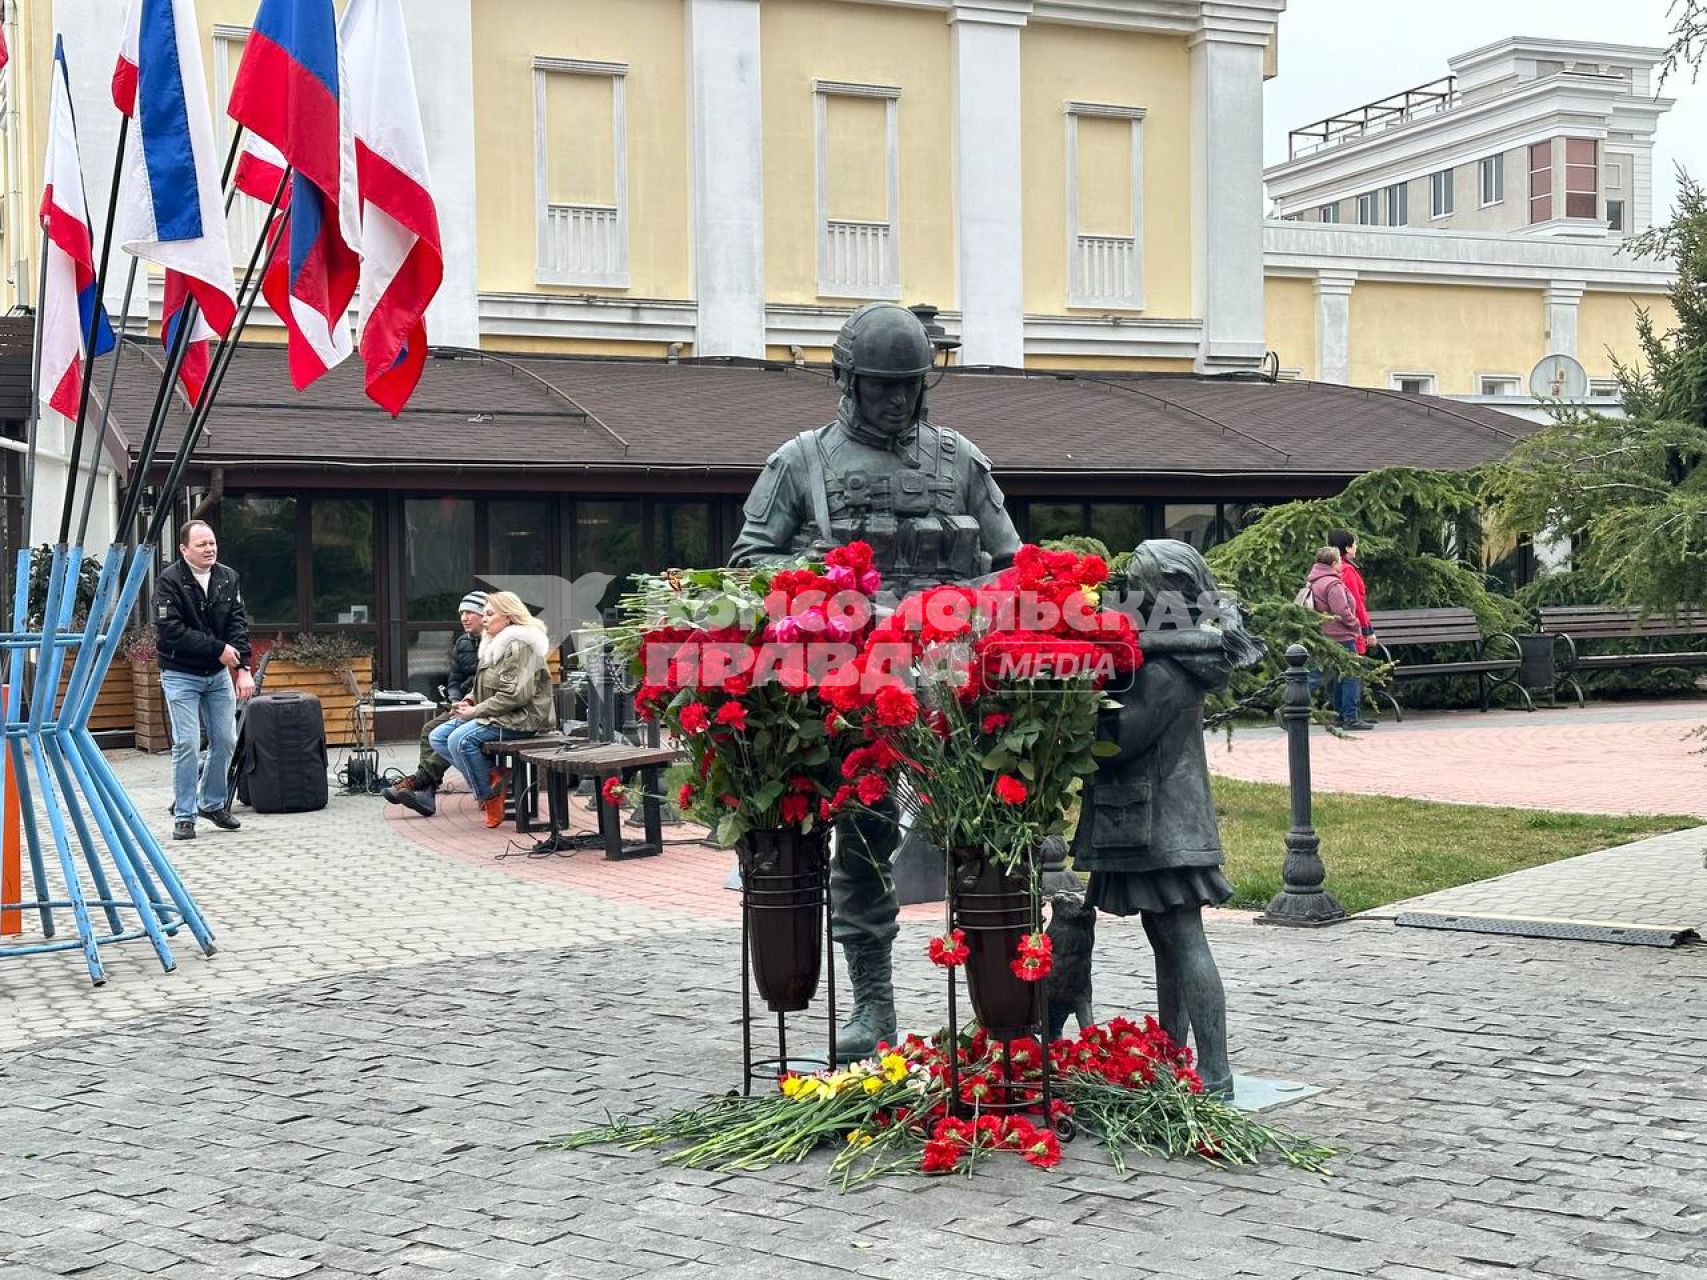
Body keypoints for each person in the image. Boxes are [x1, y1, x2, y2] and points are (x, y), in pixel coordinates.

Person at [730, 302, 1022, 1058]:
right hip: (850, 693)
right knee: (860, 848)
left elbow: (1014, 563)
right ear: (845, 382)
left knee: (994, 843)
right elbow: (749, 560)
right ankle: (872, 1005)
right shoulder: (801, 462)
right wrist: (837, 590)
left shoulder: (960, 459)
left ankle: (1004, 998)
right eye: (880, 387)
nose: (897, 400)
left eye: (909, 386)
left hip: (955, 692)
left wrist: (957, 610)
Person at [1073, 539, 1265, 1098]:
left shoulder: (1165, 670)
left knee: (1183, 938)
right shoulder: (1178, 654)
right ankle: (1174, 1053)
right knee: (1168, 937)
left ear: (1163, 592)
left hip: (1161, 820)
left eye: (1137, 582)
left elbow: (1122, 740)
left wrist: (1076, 716)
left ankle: (1214, 1070)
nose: (1127, 591)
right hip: (1158, 817)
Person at [153, 519, 255, 840]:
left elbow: (237, 624)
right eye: (201, 544)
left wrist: (244, 669)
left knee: (225, 740)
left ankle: (212, 803)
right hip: (180, 673)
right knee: (186, 744)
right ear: (184, 550)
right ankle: (185, 816)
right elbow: (171, 632)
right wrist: (218, 648)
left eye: (212, 543)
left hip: (216, 675)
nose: (209, 549)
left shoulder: (228, 578)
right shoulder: (169, 582)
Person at [427, 590, 556, 829]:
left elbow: (516, 695)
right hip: (498, 713)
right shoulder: (493, 643)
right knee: (438, 736)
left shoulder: (520, 646)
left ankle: (489, 794)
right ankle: (492, 777)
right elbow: (488, 684)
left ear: (507, 617)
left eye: (489, 614)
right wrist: (470, 699)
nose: (483, 619)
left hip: (522, 719)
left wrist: (476, 712)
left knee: (460, 741)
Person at [383, 590, 486, 816]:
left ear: (484, 614)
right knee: (429, 729)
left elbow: (488, 685)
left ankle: (419, 782)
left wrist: (468, 704)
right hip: (463, 704)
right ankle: (427, 794)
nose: (464, 617)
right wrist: (456, 700)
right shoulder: (462, 643)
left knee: (447, 735)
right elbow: (454, 680)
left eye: (470, 612)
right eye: (461, 613)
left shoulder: (496, 642)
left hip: (485, 705)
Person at [1301, 546, 1368, 730]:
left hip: (1324, 635)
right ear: (1333, 563)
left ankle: (1288, 704)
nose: (1340, 564)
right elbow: (1342, 611)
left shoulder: (1315, 581)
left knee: (1317, 675)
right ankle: (1350, 717)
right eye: (1339, 561)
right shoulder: (1333, 584)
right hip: (1341, 635)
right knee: (1351, 675)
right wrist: (1355, 624)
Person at [1327, 528, 1377, 729]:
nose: (1356, 547)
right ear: (1347, 548)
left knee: (1343, 671)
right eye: (1354, 544)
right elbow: (1356, 603)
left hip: (1341, 628)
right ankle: (1350, 716)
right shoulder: (1347, 570)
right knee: (1351, 672)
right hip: (1350, 629)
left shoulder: (1340, 568)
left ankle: (1341, 714)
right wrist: (1367, 630)